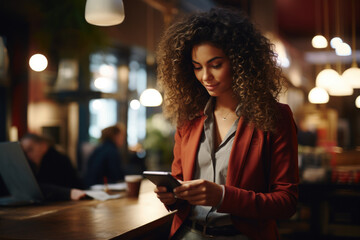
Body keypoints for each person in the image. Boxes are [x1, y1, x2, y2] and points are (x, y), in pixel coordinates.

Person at [154, 8, 299, 240]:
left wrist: (222, 196)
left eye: (215, 64)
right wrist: (172, 196)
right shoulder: (189, 120)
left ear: (240, 62)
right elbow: (179, 184)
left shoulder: (275, 117)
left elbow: (286, 201)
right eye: (197, 66)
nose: (205, 77)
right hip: (189, 234)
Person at [20, 133, 86, 201]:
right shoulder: (37, 163)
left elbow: (38, 188)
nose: (27, 155)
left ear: (43, 146)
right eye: (24, 152)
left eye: (30, 149)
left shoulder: (56, 160)